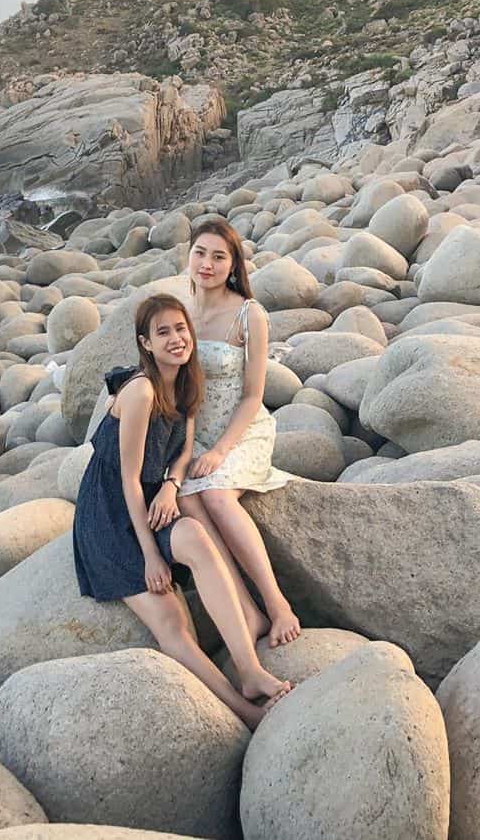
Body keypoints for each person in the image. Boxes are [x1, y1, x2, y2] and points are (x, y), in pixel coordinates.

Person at [72, 293, 291, 728]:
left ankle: (249, 670)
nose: (176, 339)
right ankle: (243, 710)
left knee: (195, 536)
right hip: (111, 518)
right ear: (145, 344)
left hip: (155, 499)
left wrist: (173, 484)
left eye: (180, 329)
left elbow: (184, 447)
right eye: (163, 332)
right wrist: (152, 556)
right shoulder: (140, 392)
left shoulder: (187, 382)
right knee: (171, 620)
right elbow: (128, 480)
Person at [179, 219, 302, 648]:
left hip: (241, 429)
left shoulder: (250, 314)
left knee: (214, 491)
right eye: (200, 253)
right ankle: (244, 610)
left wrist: (220, 451)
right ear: (188, 255)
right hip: (195, 431)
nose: (207, 264)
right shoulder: (182, 311)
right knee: (185, 496)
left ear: (233, 265)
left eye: (218, 256)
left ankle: (276, 603)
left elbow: (253, 396)